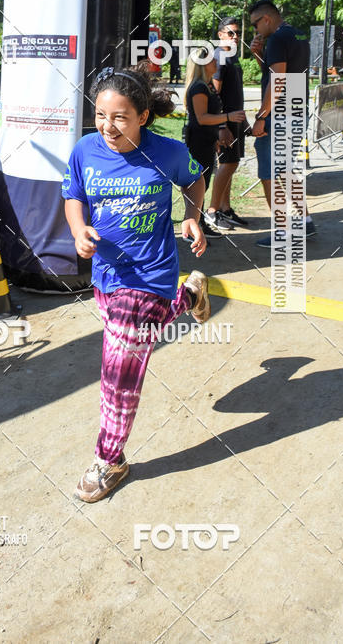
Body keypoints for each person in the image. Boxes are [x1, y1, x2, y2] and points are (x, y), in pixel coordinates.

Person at [62, 65, 210, 503]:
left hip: (150, 273)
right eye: (100, 114)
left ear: (143, 116)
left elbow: (195, 178)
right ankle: (191, 295)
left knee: (118, 373)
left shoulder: (166, 152)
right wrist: (77, 231)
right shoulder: (85, 150)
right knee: (132, 338)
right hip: (107, 276)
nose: (108, 126)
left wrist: (191, 216)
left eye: (120, 117)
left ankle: (110, 460)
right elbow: (75, 196)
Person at [249, 0, 316, 247]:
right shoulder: (297, 34)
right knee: (287, 170)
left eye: (256, 24)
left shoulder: (277, 39)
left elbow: (277, 83)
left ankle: (283, 231)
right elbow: (278, 73)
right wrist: (258, 55)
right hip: (297, 110)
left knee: (270, 173)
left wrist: (261, 117)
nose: (255, 30)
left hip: (280, 116)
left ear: (267, 19)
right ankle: (305, 221)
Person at [184, 48, 246, 238]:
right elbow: (201, 118)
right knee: (197, 184)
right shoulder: (199, 88)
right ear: (202, 65)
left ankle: (200, 223)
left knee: (203, 183)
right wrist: (228, 117)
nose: (216, 64)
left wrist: (215, 137)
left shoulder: (207, 85)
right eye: (212, 61)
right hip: (198, 142)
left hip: (207, 141)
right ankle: (194, 226)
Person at [206, 17, 249, 232]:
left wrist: (246, 121)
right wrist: (221, 126)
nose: (236, 37)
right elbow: (214, 93)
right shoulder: (220, 56)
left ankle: (225, 208)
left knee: (231, 163)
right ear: (220, 34)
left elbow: (235, 92)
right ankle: (212, 211)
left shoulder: (232, 56)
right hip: (225, 122)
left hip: (236, 120)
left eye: (237, 33)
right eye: (231, 33)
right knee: (227, 163)